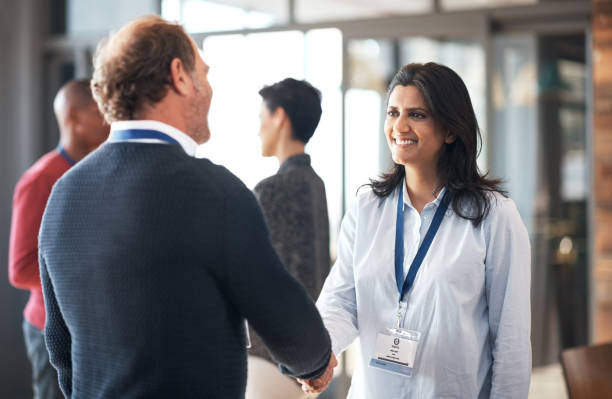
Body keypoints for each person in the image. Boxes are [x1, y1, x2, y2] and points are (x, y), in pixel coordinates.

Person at [37, 15, 336, 399]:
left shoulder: (63, 194)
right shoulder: (214, 191)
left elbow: (62, 349)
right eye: (204, 73)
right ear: (179, 75)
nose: (209, 88)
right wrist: (316, 362)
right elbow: (283, 315)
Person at [310, 63, 532, 398]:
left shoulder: (495, 216)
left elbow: (511, 340)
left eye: (417, 114)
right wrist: (320, 352)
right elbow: (341, 300)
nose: (399, 126)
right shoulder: (366, 209)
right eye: (393, 112)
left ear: (450, 130)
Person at [8, 78, 109, 399]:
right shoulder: (41, 179)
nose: (108, 119)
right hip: (49, 328)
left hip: (88, 327)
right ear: (74, 118)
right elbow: (20, 269)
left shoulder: (97, 171)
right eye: (99, 112)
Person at [246, 78, 331, 399]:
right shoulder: (315, 184)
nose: (258, 130)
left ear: (279, 117)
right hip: (310, 354)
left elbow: (254, 277)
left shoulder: (271, 189)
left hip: (269, 357)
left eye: (261, 119)